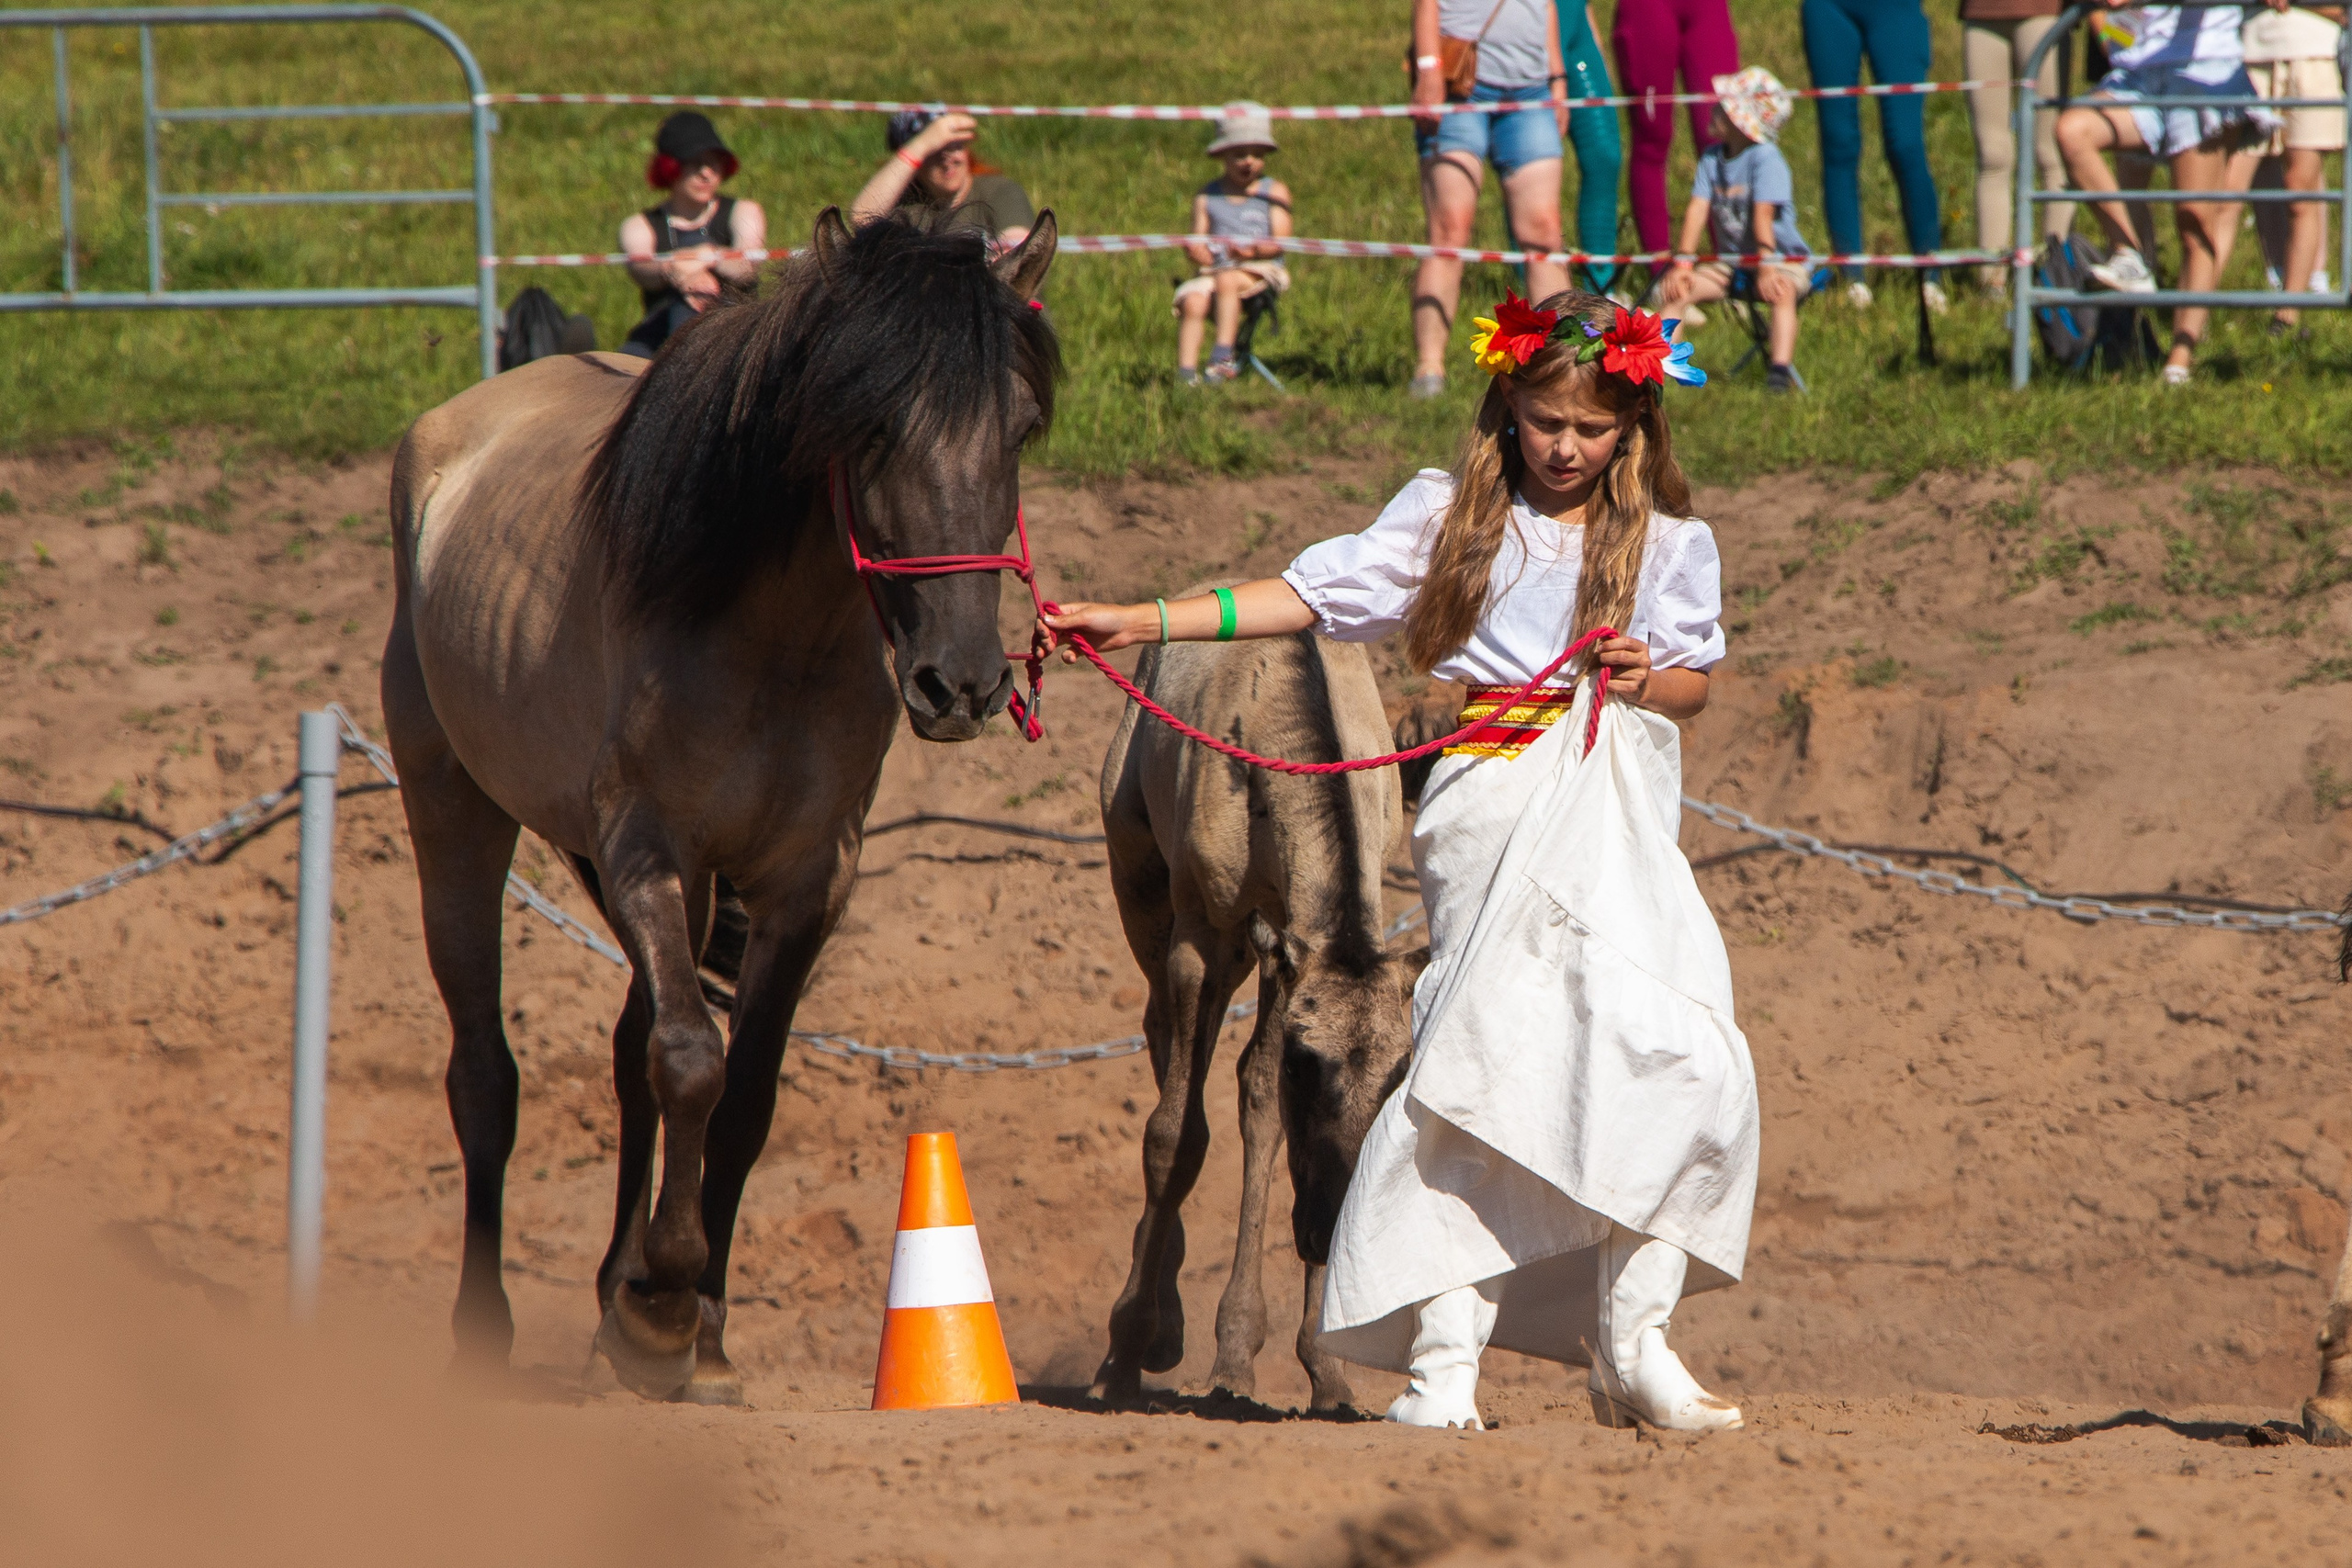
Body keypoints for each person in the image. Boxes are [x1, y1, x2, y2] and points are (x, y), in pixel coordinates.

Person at [1042, 291, 1751, 1436]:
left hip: (1614, 797)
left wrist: (1637, 676)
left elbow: (1693, 685)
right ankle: (1444, 1361)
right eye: (1541, 421)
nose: (1564, 449)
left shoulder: (1667, 545)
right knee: (1485, 1074)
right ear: (1504, 407)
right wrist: (1141, 618)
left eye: (1591, 429)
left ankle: (1635, 1338)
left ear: (1634, 428)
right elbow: (1310, 596)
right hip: (1489, 796)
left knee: (1684, 1055)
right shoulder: (1445, 522)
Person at [2054, 4, 2278, 385]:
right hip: (2136, 77)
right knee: (2072, 131)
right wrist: (2107, 29)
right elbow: (2106, 21)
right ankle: (2129, 254)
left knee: (2194, 218)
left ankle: (2180, 359)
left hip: (2204, 72)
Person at [1408, 0, 1574, 398]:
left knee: (1544, 233)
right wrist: (1428, 67)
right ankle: (1429, 368)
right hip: (1460, 86)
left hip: (1531, 91)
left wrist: (1557, 79)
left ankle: (1562, 361)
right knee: (1449, 230)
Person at [1658, 68, 1814, 392]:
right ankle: (1666, 366)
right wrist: (1683, 264)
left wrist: (1768, 269)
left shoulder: (1766, 160)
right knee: (1677, 291)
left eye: (1722, 108)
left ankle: (1779, 370)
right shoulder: (1711, 159)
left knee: (1781, 293)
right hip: (1733, 263)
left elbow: (1762, 218)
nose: (1713, 111)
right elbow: (1698, 209)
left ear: (1740, 122)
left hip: (1779, 259)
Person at [1803, 0, 1947, 312]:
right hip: (1828, 9)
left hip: (1896, 10)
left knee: (1905, 143)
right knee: (1839, 142)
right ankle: (1853, 279)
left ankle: (1930, 276)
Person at [616, 112, 767, 358]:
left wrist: (705, 257)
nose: (707, 174)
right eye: (695, 163)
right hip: (660, 338)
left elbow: (746, 266)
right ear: (670, 167)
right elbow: (642, 271)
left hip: (737, 334)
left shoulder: (745, 212)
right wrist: (676, 270)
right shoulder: (638, 226)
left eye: (714, 163)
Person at [1612, 0, 1742, 269]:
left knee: (1723, 134)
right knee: (1652, 137)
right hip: (1647, 9)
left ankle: (1731, 271)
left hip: (1707, 9)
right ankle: (1660, 274)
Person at [2243, 1, 2346, 336]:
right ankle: (2277, 278)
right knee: (2235, 188)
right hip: (2251, 50)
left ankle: (2292, 307)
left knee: (2300, 185)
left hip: (2317, 51)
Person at [1173, 105, 1295, 386]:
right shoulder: (1207, 196)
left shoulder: (1274, 193)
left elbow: (1281, 240)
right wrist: (1197, 252)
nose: (1248, 162)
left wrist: (1253, 251)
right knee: (1193, 301)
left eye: (1256, 154)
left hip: (1261, 269)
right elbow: (1198, 238)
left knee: (1228, 280)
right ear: (1222, 156)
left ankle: (1222, 356)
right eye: (1239, 155)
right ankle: (1186, 374)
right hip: (1216, 270)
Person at [1962, 0, 2075, 294]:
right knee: (1992, 154)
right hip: (1981, 14)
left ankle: (2055, 277)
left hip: (2044, 14)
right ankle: (1991, 282)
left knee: (2050, 153)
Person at [850, 109, 1034, 249]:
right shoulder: (906, 208)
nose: (948, 161)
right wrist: (921, 145)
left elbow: (1019, 256)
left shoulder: (1000, 191)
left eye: (955, 146)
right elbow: (862, 219)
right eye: (933, 152)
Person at [1558, 2, 1627, 293]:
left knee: (1605, 155)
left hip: (1574, 20)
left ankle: (1600, 285)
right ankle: (1533, 291)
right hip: (1526, 28)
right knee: (1530, 168)